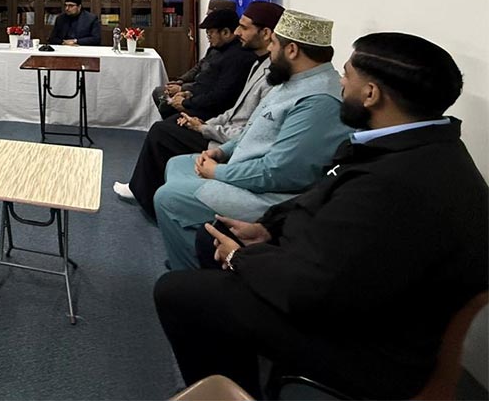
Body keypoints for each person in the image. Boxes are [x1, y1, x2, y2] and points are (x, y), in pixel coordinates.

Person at [154, 33, 488, 399]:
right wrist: (266, 228)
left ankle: (236, 389)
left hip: (369, 344)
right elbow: (320, 199)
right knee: (212, 236)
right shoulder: (420, 147)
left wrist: (242, 257)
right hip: (348, 288)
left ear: (371, 94)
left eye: (347, 76)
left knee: (179, 293)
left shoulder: (394, 181)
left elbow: (310, 289)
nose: (341, 84)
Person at [154, 9, 351, 270]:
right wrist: (222, 152)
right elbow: (253, 129)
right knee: (176, 165)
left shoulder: (318, 101)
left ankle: (190, 273)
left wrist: (219, 172)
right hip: (243, 169)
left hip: (269, 195)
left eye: (274, 44)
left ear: (291, 50)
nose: (270, 51)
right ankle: (201, 248)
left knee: (168, 197)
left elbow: (279, 173)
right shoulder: (291, 82)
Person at [115, 2, 284, 214]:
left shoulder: (263, 69)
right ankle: (144, 188)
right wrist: (194, 106)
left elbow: (241, 120)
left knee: (162, 131)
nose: (238, 32)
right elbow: (232, 108)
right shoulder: (256, 61)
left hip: (226, 137)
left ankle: (146, 195)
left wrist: (203, 126)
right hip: (216, 123)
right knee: (166, 122)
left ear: (267, 33)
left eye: (244, 27)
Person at [155, 8, 259, 120]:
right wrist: (181, 82)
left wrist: (185, 99)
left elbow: (217, 95)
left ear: (225, 32)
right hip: (197, 96)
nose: (208, 38)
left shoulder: (237, 57)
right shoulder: (216, 48)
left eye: (210, 33)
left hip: (210, 109)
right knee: (161, 96)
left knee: (162, 121)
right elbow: (199, 67)